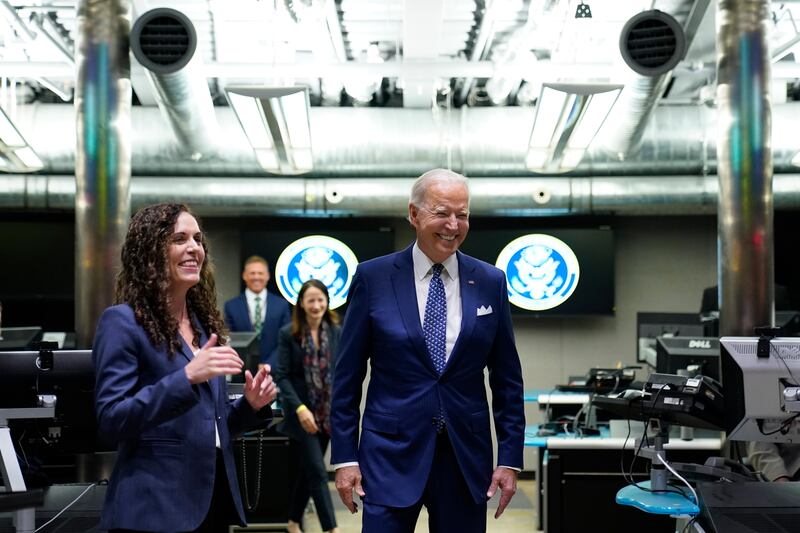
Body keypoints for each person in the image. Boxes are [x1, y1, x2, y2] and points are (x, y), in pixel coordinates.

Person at [330, 169, 525, 533]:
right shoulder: (373, 279)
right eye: (442, 212)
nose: (453, 225)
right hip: (388, 456)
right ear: (414, 214)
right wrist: (344, 457)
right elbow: (346, 378)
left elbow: (508, 380)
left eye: (462, 214)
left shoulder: (490, 282)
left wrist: (510, 459)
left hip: (465, 457)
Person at [93, 203, 277, 533]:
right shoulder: (122, 322)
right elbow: (111, 420)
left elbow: (211, 425)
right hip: (154, 509)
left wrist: (250, 406)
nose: (194, 247)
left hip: (212, 501)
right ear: (149, 251)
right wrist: (187, 377)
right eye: (179, 238)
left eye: (197, 239)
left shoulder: (205, 329)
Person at [274, 279, 341, 533]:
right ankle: (331, 529)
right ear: (301, 303)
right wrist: (300, 408)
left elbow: (341, 371)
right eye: (310, 300)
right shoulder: (288, 334)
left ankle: (292, 521)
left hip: (326, 413)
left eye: (320, 299)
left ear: (327, 301)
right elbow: (282, 375)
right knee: (318, 471)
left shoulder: (336, 331)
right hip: (302, 415)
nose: (316, 305)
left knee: (306, 472)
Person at [224, 255, 291, 368]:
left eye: (260, 273)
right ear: (244, 275)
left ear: (267, 276)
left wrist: (269, 364)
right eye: (252, 273)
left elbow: (286, 340)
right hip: (242, 371)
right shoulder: (231, 306)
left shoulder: (281, 305)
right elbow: (230, 340)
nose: (256, 277)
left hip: (275, 371)